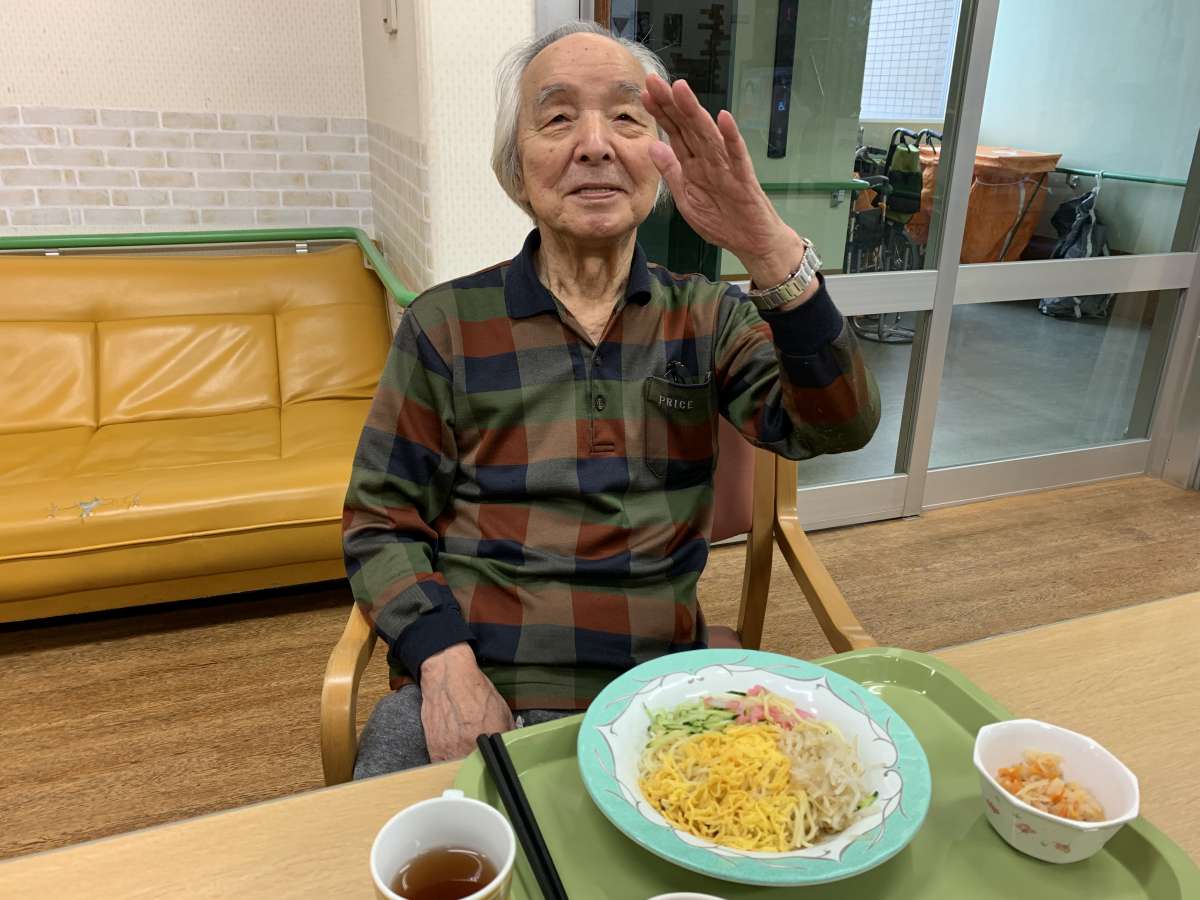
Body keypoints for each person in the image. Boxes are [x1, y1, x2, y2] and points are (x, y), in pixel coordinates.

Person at [343, 21, 880, 778]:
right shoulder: (445, 325)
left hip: (661, 693)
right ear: (516, 170)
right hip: (480, 679)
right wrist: (442, 661)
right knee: (396, 838)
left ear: (659, 160)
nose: (594, 144)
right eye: (559, 117)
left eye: (626, 117)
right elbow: (379, 518)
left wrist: (765, 246)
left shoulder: (709, 317)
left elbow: (839, 424)